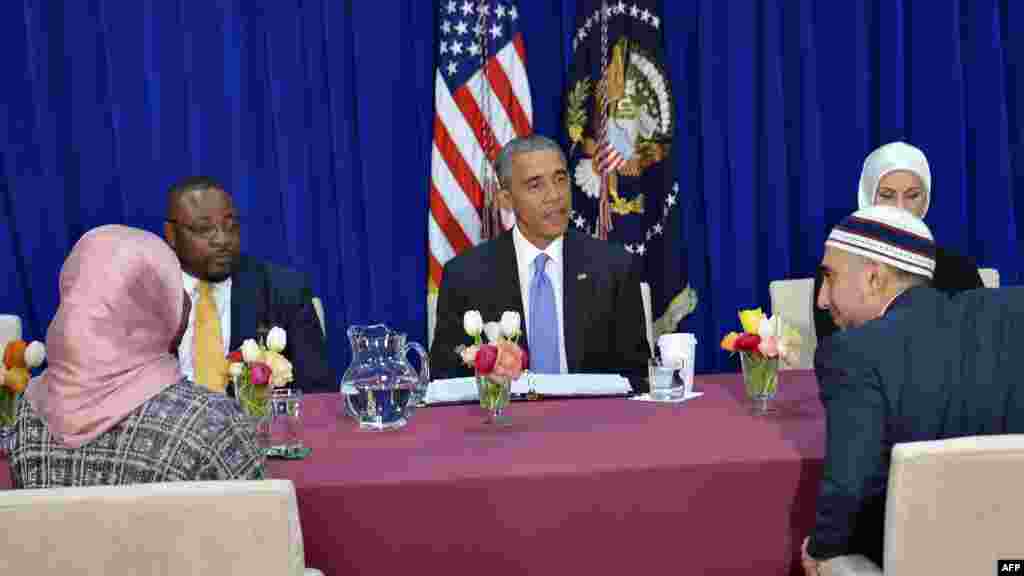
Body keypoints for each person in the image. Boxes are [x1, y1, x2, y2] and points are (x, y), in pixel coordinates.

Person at [801, 205, 1024, 572]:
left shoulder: (851, 353)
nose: (822, 299)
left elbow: (848, 487)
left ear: (873, 279)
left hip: (924, 560)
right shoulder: (1009, 313)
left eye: (830, 277)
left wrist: (822, 547)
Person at [10, 225, 264, 488]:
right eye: (172, 289)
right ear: (152, 310)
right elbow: (261, 523)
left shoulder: (24, 418)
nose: (184, 302)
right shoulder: (212, 423)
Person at [429, 134, 650, 390]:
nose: (554, 196)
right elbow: (443, 371)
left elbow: (638, 375)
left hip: (594, 422)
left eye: (560, 179)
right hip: (506, 424)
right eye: (535, 185)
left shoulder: (615, 268)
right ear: (506, 199)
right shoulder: (465, 275)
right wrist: (483, 364)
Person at [164, 176, 334, 393]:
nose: (223, 240)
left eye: (230, 226)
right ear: (171, 234)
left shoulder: (283, 291)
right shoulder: (146, 298)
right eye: (204, 229)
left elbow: (317, 394)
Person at [814, 141, 984, 342]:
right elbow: (833, 347)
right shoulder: (838, 266)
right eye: (887, 195)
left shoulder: (958, 268)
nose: (900, 207)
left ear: (926, 200)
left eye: (912, 196)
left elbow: (980, 339)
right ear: (867, 197)